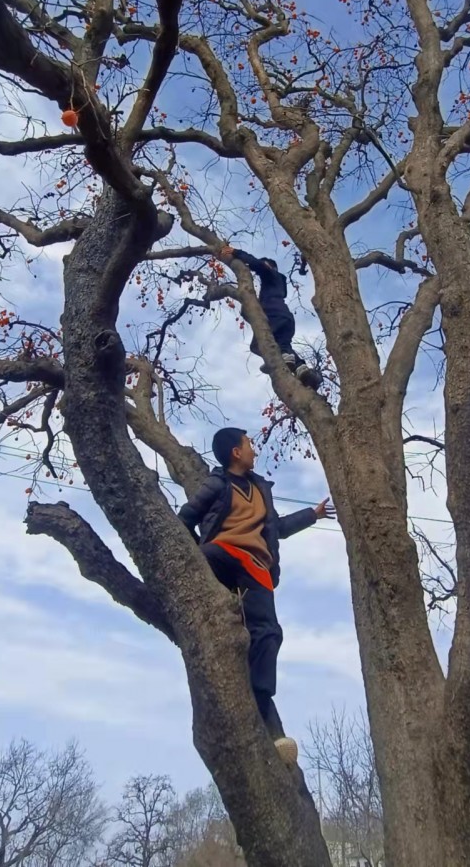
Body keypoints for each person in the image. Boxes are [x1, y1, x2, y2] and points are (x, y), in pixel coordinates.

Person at [178, 426, 333, 763]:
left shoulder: (262, 489)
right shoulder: (217, 484)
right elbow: (185, 518)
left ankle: (262, 703)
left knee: (268, 634)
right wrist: (193, 554)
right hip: (221, 553)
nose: (254, 449)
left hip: (255, 566)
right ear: (236, 452)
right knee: (210, 561)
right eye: (249, 444)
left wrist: (313, 515)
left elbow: (276, 529)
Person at [219, 244, 323, 390]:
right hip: (284, 317)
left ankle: (283, 358)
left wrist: (236, 252)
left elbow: (257, 264)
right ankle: (303, 370)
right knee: (282, 343)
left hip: (276, 314)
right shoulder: (276, 286)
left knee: (259, 344)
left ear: (270, 266)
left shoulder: (271, 274)